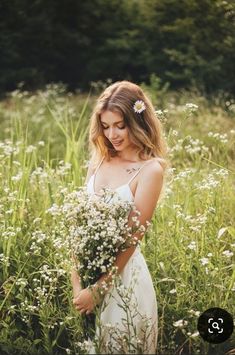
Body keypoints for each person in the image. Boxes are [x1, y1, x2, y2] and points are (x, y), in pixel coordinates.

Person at [71, 80, 169, 354]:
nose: (112, 134)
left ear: (137, 122)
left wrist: (100, 289)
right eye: (105, 126)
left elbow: (133, 237)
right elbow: (79, 226)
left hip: (124, 282)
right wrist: (78, 283)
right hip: (86, 278)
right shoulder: (98, 160)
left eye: (120, 125)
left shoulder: (150, 170)